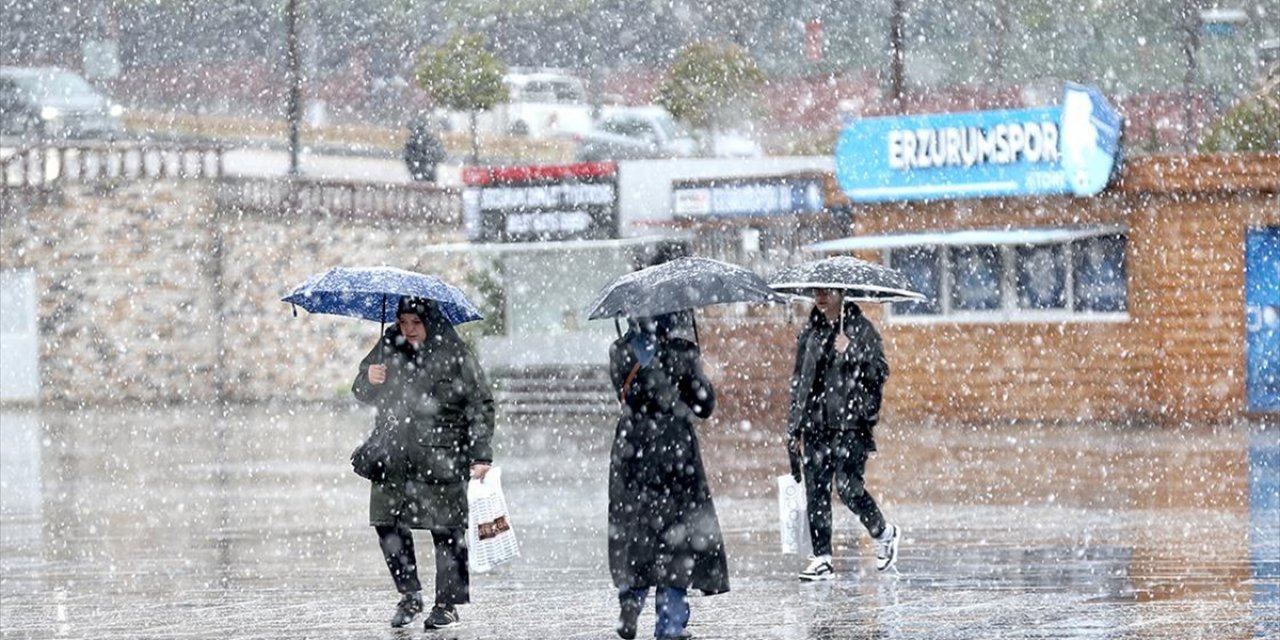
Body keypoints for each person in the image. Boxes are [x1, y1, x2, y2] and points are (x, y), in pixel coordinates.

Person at [351, 296, 495, 629]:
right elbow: (363, 389)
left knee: (446, 529)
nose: (409, 329)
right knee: (387, 523)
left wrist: (481, 454)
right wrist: (367, 379)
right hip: (392, 454)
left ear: (430, 322)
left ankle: (447, 604)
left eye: (416, 322)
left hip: (442, 455)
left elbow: (480, 403)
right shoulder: (388, 346)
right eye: (403, 322)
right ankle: (410, 595)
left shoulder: (455, 355)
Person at [608, 311, 728, 640]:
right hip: (675, 452)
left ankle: (631, 600)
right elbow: (705, 407)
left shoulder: (619, 351)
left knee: (636, 532)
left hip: (631, 450)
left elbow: (625, 395)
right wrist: (700, 373)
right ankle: (670, 625)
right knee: (676, 541)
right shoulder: (683, 352)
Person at [787, 288, 900, 581]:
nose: (820, 296)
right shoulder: (810, 332)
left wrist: (853, 350)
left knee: (849, 489)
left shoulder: (861, 329)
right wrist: (794, 427)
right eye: (816, 291)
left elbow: (880, 371)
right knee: (817, 491)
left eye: (828, 291)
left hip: (850, 425)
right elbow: (800, 382)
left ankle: (883, 532)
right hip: (816, 425)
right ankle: (822, 557)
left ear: (842, 294)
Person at [404, 117, 446, 182]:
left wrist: (413, 166)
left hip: (419, 170)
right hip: (427, 170)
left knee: (418, 183)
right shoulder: (430, 138)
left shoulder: (413, 139)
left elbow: (408, 156)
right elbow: (440, 154)